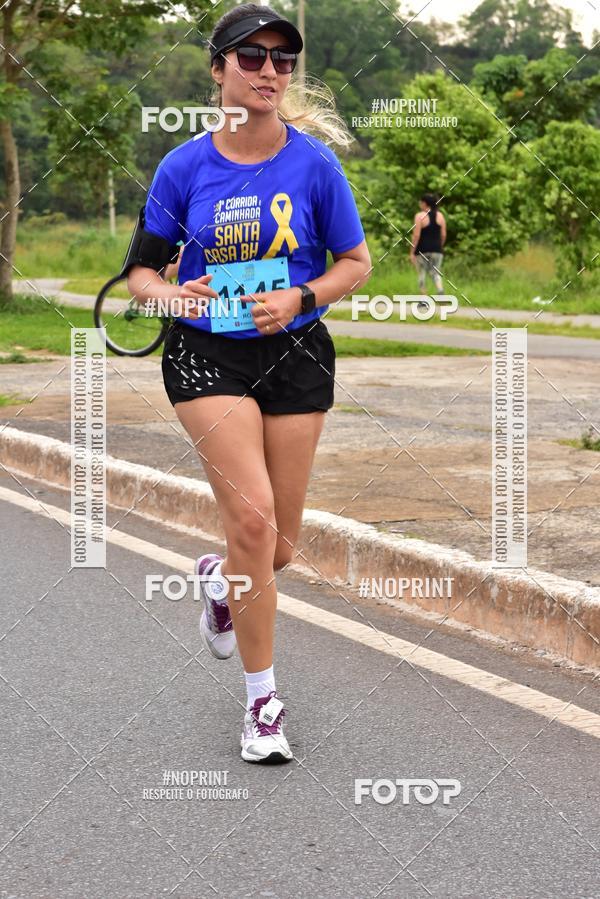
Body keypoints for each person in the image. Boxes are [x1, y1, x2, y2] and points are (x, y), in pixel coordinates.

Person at [127, 4, 371, 763]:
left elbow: (356, 264)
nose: (270, 71)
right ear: (219, 68)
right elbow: (139, 273)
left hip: (296, 354)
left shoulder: (314, 165)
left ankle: (220, 583)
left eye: (282, 60)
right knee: (256, 523)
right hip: (206, 356)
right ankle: (263, 703)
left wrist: (300, 297)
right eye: (252, 56)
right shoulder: (183, 166)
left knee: (278, 549)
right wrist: (173, 296)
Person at [410, 193, 446, 307]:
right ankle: (440, 291)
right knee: (435, 272)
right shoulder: (440, 216)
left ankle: (424, 300)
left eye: (421, 202)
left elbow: (416, 236)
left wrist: (412, 251)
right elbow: (443, 234)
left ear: (424, 203)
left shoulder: (420, 216)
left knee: (422, 273)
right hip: (437, 250)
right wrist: (439, 246)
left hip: (422, 250)